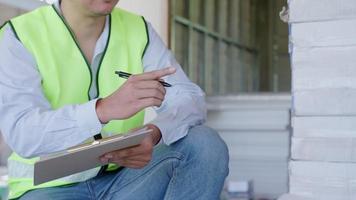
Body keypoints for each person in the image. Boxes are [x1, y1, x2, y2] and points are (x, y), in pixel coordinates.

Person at [0, 0, 229, 199]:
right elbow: (23, 133)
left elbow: (190, 99)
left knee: (204, 144)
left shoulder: (138, 30)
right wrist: (102, 110)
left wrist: (154, 132)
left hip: (124, 180)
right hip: (46, 188)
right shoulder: (19, 35)